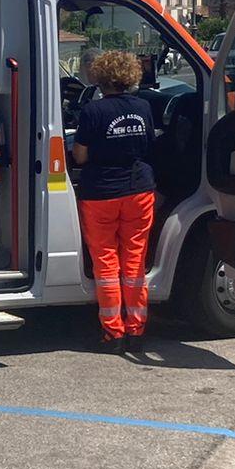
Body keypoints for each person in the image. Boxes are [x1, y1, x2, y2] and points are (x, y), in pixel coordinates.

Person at [71, 48, 157, 346]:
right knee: (134, 261)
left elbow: (80, 155)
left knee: (105, 263)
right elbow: (148, 145)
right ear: (131, 76)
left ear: (100, 78)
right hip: (139, 190)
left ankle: (113, 330)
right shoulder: (144, 107)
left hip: (101, 193)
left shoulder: (93, 111)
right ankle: (136, 328)